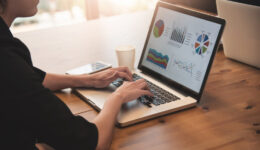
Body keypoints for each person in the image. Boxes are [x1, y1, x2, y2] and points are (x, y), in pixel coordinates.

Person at [0, 0, 153, 150]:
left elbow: (33, 79)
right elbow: (92, 142)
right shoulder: (6, 57)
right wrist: (117, 97)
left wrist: (89, 79)